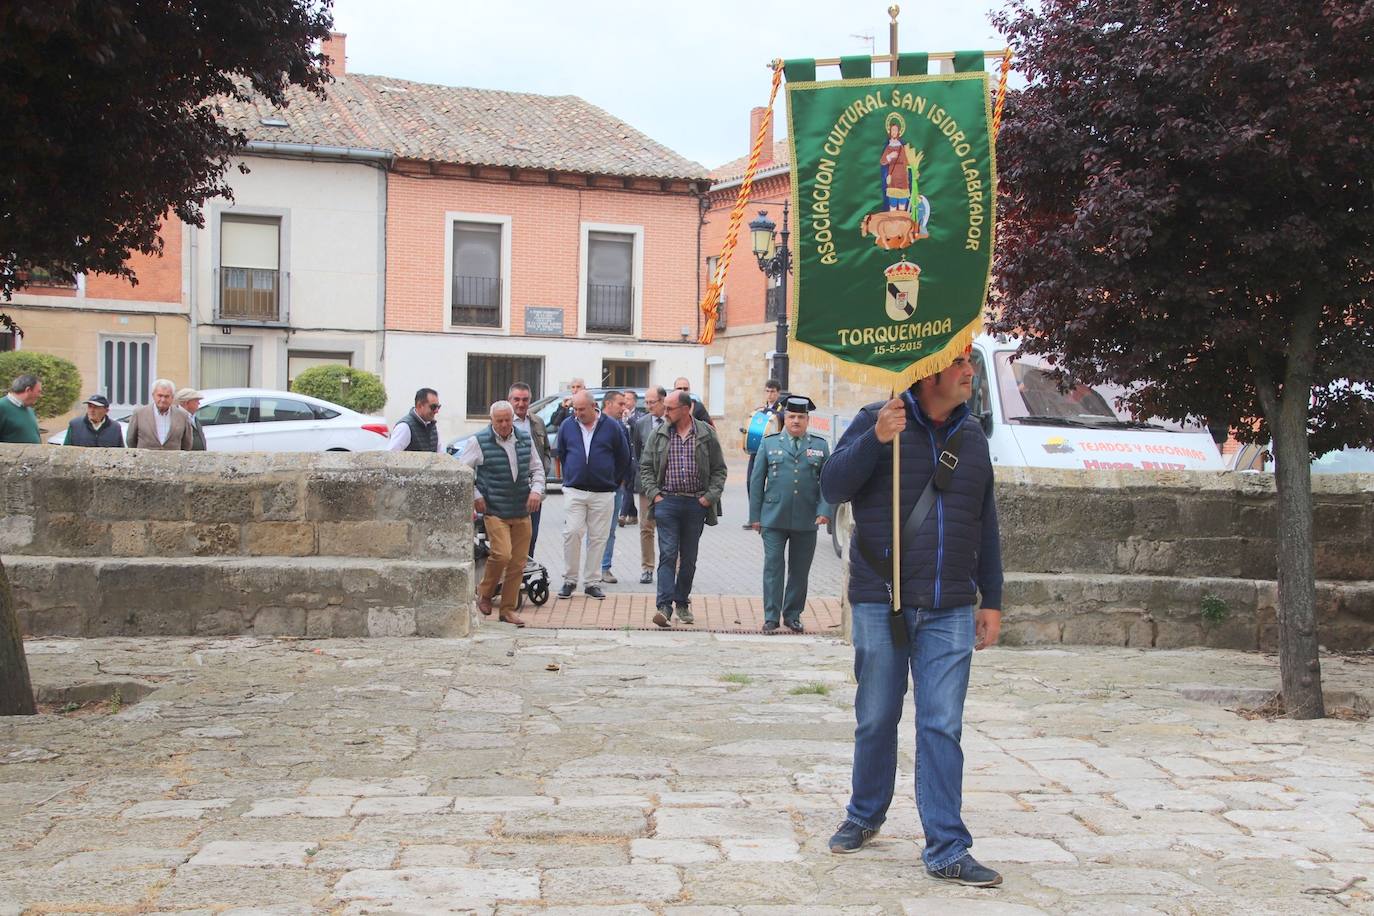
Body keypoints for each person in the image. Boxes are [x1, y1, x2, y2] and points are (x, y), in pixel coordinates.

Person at [819, 350, 1004, 888]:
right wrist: (876, 437)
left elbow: (984, 522)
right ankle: (864, 813)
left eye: (971, 363)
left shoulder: (972, 441)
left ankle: (947, 846)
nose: (971, 372)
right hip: (882, 600)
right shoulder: (878, 419)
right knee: (876, 716)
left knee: (942, 725)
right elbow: (832, 488)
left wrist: (990, 597)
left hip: (950, 607)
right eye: (962, 364)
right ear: (931, 374)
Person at [639, 389, 727, 627]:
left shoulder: (706, 434)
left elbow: (720, 469)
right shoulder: (659, 433)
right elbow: (645, 467)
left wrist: (708, 498)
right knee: (668, 554)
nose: (664, 412)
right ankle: (664, 607)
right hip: (667, 502)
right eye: (664, 407)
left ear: (686, 409)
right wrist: (655, 495)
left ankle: (682, 603)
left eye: (669, 408)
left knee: (688, 558)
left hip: (695, 504)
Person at [456, 400, 544, 628]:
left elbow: (537, 469)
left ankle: (507, 610)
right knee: (502, 554)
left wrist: (536, 491)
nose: (504, 425)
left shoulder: (525, 439)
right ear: (491, 420)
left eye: (507, 420)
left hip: (521, 509)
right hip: (494, 509)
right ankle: (485, 592)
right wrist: (476, 494)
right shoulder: (478, 441)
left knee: (518, 562)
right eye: (499, 421)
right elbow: (464, 472)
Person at [749, 395, 832, 633]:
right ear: (785, 417)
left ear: (808, 420)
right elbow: (756, 482)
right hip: (773, 517)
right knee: (773, 567)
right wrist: (755, 516)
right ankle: (771, 616)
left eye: (801, 417)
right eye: (792, 416)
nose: (796, 421)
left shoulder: (819, 445)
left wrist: (824, 510)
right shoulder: (769, 443)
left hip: (807, 518)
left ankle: (793, 614)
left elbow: (826, 482)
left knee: (800, 570)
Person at [555, 390, 629, 600]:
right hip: (575, 490)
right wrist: (568, 477)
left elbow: (623, 456)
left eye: (581, 409)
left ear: (593, 406)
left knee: (598, 538)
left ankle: (592, 582)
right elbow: (561, 453)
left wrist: (615, 481)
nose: (577, 413)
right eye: (575, 409)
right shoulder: (567, 426)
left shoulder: (612, 427)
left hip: (604, 492)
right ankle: (570, 579)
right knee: (572, 532)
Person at [630, 386, 667, 583]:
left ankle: (671, 567)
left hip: (669, 485)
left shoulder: (672, 422)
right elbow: (637, 452)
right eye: (646, 402)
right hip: (646, 484)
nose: (649, 406)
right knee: (646, 526)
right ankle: (647, 567)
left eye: (652, 402)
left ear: (663, 401)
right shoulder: (641, 423)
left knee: (669, 527)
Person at [508, 382, 548, 556]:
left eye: (525, 400)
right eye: (516, 399)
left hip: (533, 491)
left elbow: (545, 450)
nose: (521, 404)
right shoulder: (502, 420)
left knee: (531, 536)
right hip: (508, 492)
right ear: (509, 400)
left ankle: (525, 576)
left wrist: (541, 477)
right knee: (508, 541)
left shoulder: (537, 422)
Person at [742, 378, 785, 525]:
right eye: (767, 391)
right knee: (751, 482)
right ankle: (754, 515)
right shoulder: (760, 409)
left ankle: (772, 516)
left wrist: (768, 411)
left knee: (774, 483)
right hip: (757, 451)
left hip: (775, 452)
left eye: (772, 391)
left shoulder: (782, 409)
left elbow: (782, 418)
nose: (769, 394)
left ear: (778, 393)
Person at [598, 389, 629, 583]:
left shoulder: (621, 427)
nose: (624, 408)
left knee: (609, 529)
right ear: (608, 404)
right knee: (593, 530)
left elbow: (626, 456)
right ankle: (591, 569)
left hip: (615, 487)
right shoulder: (595, 425)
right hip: (594, 487)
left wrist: (622, 480)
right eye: (620, 404)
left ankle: (604, 568)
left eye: (625, 404)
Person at [126, 379, 194, 450]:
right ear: (153, 395)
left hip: (172, 459)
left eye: (167, 396)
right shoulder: (139, 414)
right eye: (160, 395)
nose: (163, 400)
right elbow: (130, 440)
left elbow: (187, 444)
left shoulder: (182, 416)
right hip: (146, 459)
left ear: (172, 397)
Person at [388, 388, 442, 452]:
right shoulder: (404, 427)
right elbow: (391, 456)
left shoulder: (432, 427)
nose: (437, 411)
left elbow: (439, 456)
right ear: (419, 405)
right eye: (433, 407)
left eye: (438, 407)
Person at [618, 391, 640, 526]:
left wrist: (629, 418)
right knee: (628, 486)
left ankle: (622, 514)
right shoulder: (618, 416)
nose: (625, 402)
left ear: (635, 402)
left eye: (628, 399)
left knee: (628, 486)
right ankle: (632, 513)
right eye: (623, 399)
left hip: (634, 456)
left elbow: (638, 426)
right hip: (623, 455)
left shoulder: (639, 416)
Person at [1, 374, 42, 444]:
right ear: (28, 390)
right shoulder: (1, 407)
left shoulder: (29, 409)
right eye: (39, 391)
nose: (40, 395)